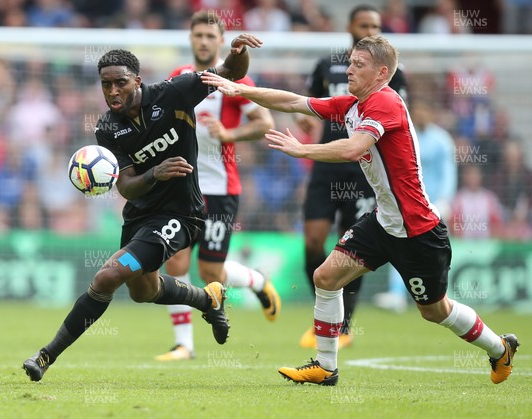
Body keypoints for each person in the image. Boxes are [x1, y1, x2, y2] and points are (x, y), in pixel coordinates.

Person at [201, 34, 519, 386]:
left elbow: (354, 149)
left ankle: (500, 347)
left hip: (417, 230)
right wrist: (240, 89)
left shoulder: (385, 103)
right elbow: (294, 101)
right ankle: (325, 366)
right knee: (326, 277)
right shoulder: (353, 105)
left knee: (434, 310)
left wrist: (303, 151)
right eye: (350, 62)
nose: (348, 69)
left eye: (358, 64)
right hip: (384, 223)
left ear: (381, 73)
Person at [22, 33, 263, 381]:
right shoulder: (108, 128)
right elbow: (128, 187)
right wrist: (156, 172)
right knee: (142, 291)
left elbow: (229, 71)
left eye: (120, 83)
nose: (113, 92)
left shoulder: (176, 92)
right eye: (106, 85)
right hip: (140, 217)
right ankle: (207, 299)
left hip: (183, 215)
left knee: (108, 276)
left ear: (137, 80)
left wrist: (237, 53)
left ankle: (45, 356)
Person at [155, 11, 280, 362]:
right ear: (191, 38)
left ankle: (257, 281)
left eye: (211, 36)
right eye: (199, 35)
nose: (205, 41)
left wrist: (230, 134)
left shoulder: (234, 81)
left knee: (211, 271)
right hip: (182, 187)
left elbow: (264, 121)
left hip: (221, 189)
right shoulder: (179, 77)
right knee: (175, 263)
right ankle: (184, 344)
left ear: (221, 41)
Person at [295, 4, 408, 350]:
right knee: (313, 241)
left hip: (362, 167)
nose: (370, 29)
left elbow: (395, 120)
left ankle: (343, 327)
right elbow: (312, 104)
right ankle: (325, 316)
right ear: (350, 28)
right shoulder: (327, 66)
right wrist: (305, 124)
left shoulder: (394, 77)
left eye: (376, 24)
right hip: (327, 163)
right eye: (364, 24)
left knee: (352, 249)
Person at [374, 99, 457, 312]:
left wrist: (445, 200)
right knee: (402, 246)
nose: (419, 115)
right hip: (410, 203)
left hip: (434, 205)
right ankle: (397, 294)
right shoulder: (409, 135)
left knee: (434, 251)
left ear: (431, 113)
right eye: (416, 111)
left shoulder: (441, 140)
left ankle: (441, 295)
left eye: (423, 110)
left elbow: (448, 173)